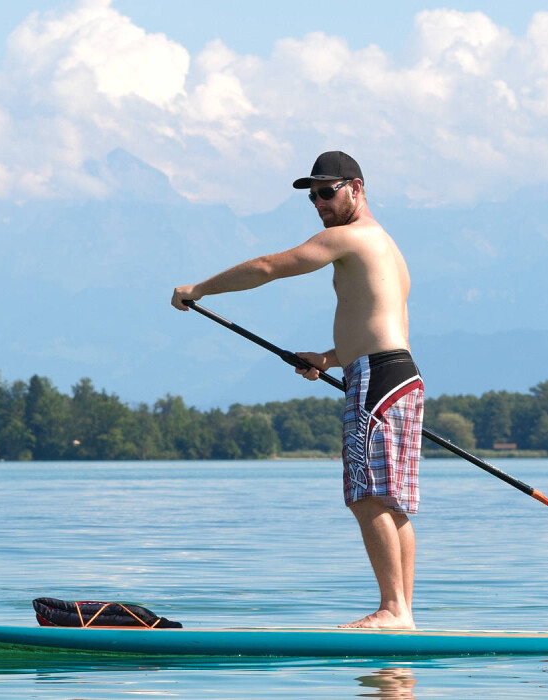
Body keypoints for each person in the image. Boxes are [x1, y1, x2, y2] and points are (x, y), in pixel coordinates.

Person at [171, 151, 423, 629]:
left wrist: (198, 289)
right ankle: (404, 612)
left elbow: (270, 266)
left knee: (367, 496)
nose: (319, 203)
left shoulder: (348, 237)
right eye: (313, 197)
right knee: (392, 500)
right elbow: (387, 321)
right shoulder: (388, 247)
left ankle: (393, 610)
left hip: (377, 377)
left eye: (327, 192)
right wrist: (329, 359)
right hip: (401, 373)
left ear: (357, 188)